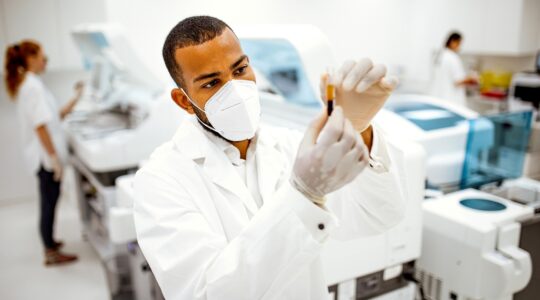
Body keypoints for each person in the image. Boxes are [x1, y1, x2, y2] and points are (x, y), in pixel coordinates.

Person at [134, 16, 405, 299]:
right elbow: (205, 294)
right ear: (183, 101)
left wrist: (361, 130)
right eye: (212, 83)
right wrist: (303, 195)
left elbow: (379, 216)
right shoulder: (160, 180)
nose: (235, 89)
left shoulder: (289, 145)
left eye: (240, 69)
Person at [4, 40, 82, 266]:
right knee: (49, 204)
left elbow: (52, 118)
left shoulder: (31, 84)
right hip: (45, 159)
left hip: (42, 157)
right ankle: (50, 252)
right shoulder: (33, 87)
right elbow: (40, 126)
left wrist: (75, 99)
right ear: (30, 59)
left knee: (49, 201)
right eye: (41, 56)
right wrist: (54, 158)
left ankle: (50, 243)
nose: (45, 60)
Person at [430, 31, 478, 107]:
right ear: (452, 42)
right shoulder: (453, 57)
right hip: (451, 101)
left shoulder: (439, 56)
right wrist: (471, 79)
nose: (459, 47)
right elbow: (457, 81)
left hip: (438, 99)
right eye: (459, 44)